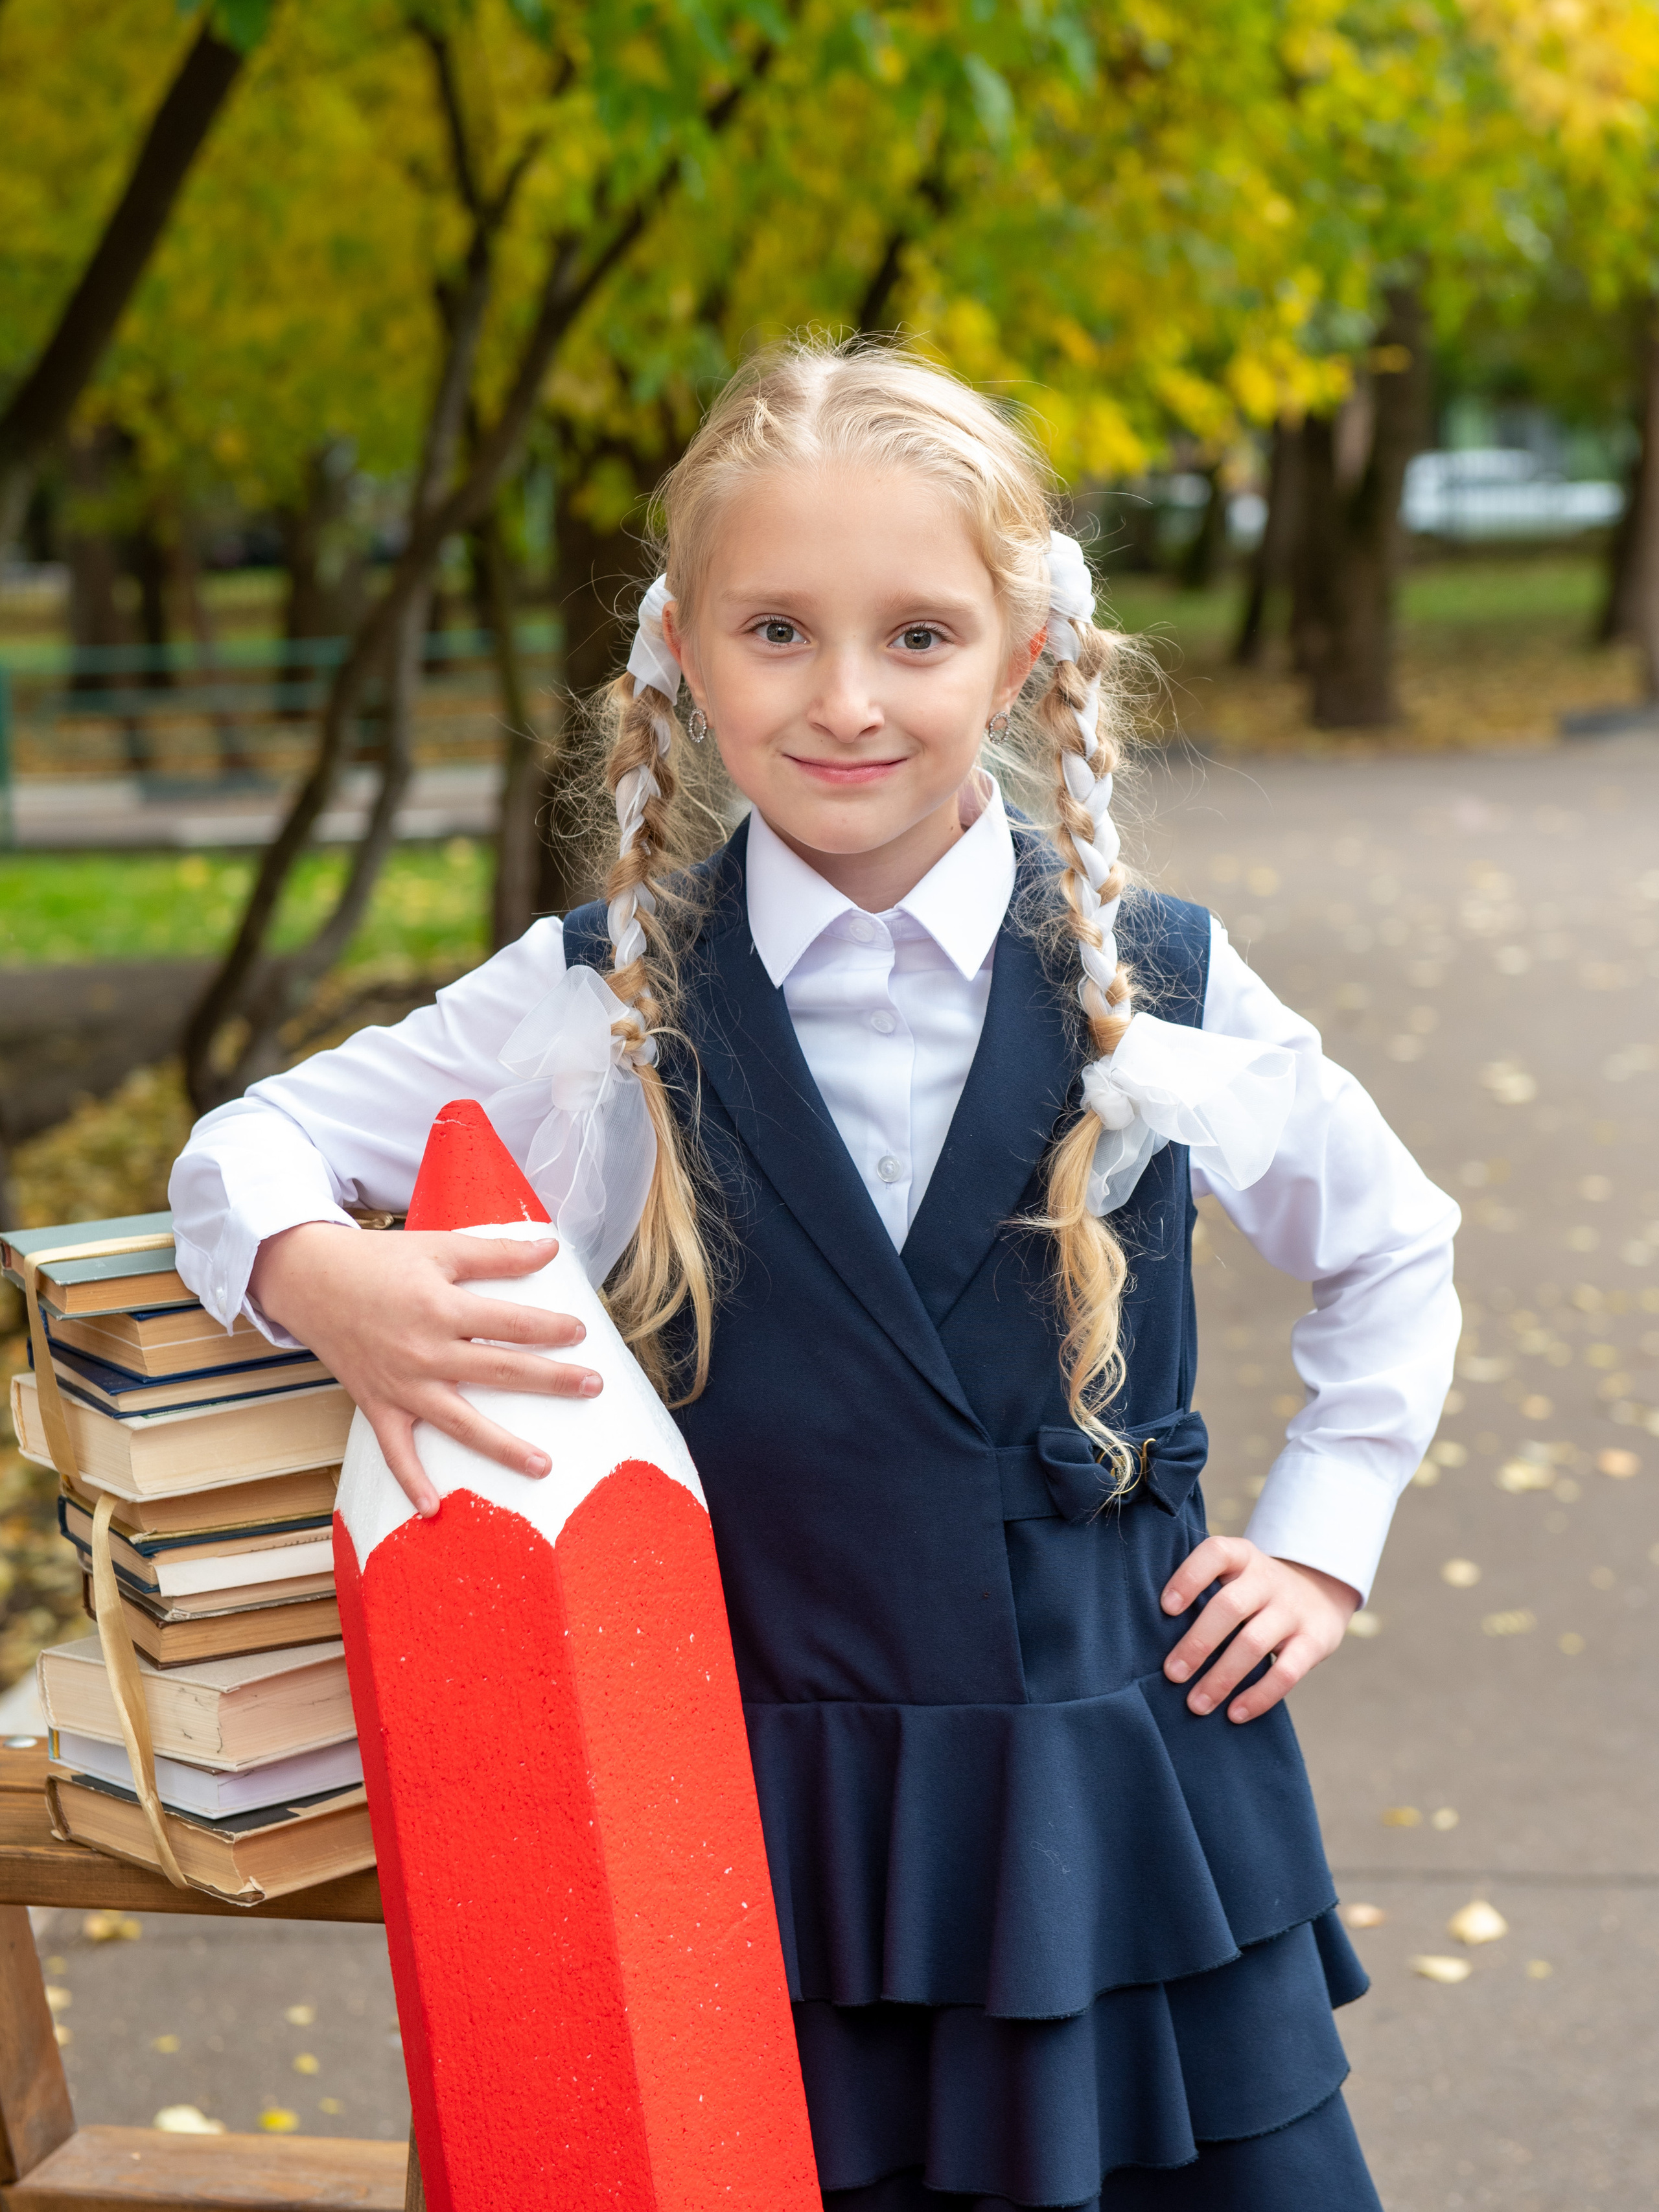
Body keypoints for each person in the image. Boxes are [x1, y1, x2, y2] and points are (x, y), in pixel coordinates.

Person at [171, 339, 1458, 2209]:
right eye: (777, 630)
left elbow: (1394, 1247)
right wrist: (320, 1276)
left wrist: (1324, 1535)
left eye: (917, 637)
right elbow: (248, 1147)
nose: (845, 699)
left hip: (1112, 1807)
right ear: (683, 651)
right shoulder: (597, 1000)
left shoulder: (1156, 980)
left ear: (1020, 661)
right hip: (762, 1831)